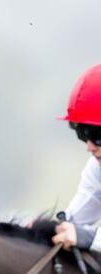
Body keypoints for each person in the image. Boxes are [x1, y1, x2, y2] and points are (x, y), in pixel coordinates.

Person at [52, 64, 101, 251]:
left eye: (98, 135)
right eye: (82, 133)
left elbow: (81, 234)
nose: (89, 146)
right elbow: (75, 220)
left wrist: (87, 237)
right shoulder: (97, 167)